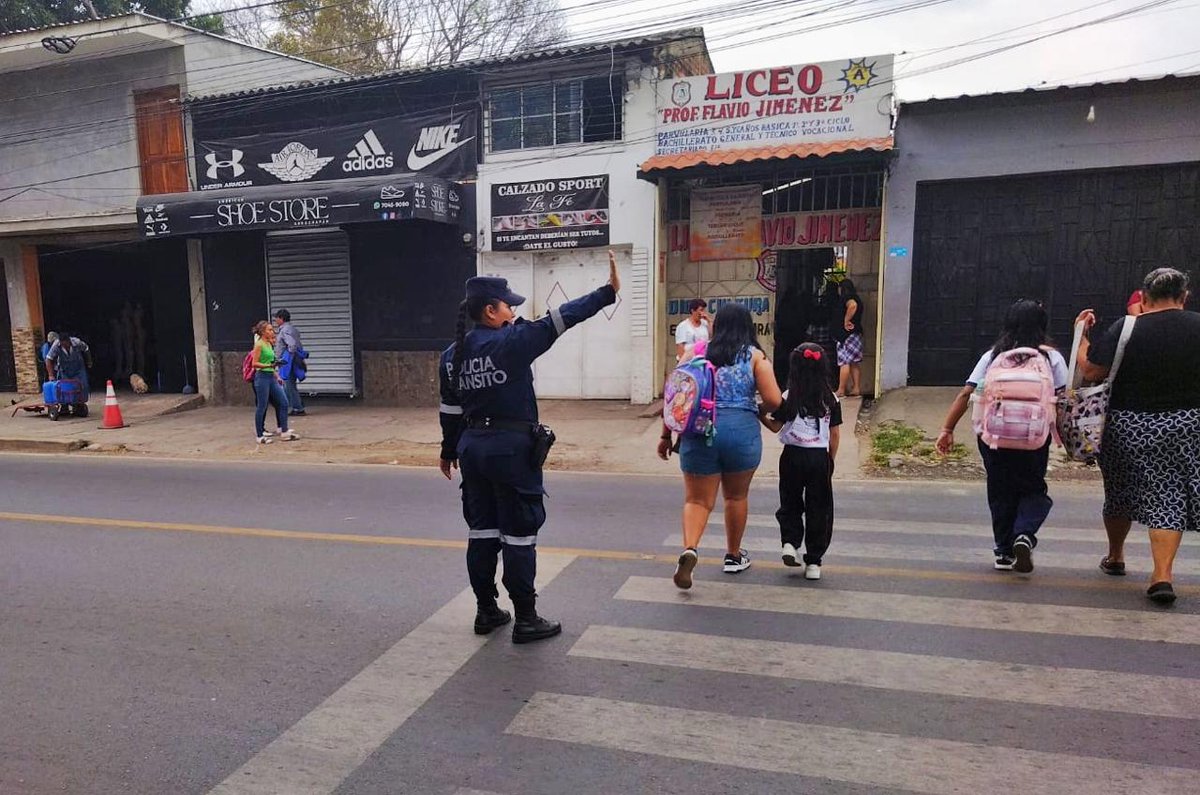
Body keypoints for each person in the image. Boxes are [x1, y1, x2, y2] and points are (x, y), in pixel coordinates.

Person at [438, 252, 621, 643]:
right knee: (519, 534)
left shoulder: (451, 356)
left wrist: (448, 450)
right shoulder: (513, 342)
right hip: (510, 450)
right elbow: (562, 318)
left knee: (482, 532)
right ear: (491, 310)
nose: (513, 312)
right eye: (508, 306)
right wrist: (607, 292)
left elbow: (450, 410)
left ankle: (486, 610)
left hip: (472, 450)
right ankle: (526, 617)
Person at [1075, 267, 1199, 605]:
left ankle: (1115, 556)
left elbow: (1091, 370)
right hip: (1185, 424)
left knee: (1118, 490)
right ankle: (1162, 575)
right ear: (1184, 297)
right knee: (1168, 494)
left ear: (1143, 299)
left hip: (1126, 425)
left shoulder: (1126, 328)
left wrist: (1082, 338)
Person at [935, 300, 1068, 573]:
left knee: (1000, 491)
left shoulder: (993, 356)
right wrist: (1065, 436)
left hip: (994, 437)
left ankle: (1004, 552)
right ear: (1043, 326)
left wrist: (947, 429)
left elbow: (966, 393)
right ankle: (1024, 534)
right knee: (1034, 490)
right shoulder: (1051, 358)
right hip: (1033, 437)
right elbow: (1062, 400)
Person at [659, 303, 783, 590]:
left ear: (718, 326)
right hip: (741, 432)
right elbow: (775, 400)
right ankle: (733, 555)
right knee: (735, 498)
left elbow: (675, 394)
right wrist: (754, 408)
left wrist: (666, 435)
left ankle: (690, 548)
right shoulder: (755, 357)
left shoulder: (695, 353)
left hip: (700, 431)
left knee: (696, 500)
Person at [760, 343, 841, 581]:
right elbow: (835, 435)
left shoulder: (788, 396)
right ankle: (814, 562)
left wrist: (759, 414)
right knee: (819, 508)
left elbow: (776, 425)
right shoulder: (831, 397)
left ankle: (789, 543)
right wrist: (830, 461)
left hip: (792, 455)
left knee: (790, 501)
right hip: (819, 458)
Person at [250, 321, 298, 445]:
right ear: (262, 332)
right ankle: (260, 435)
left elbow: (271, 361)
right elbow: (254, 364)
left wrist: (277, 375)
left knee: (283, 402)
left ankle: (284, 431)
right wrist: (269, 365)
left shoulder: (269, 344)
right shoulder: (259, 345)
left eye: (272, 329)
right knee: (262, 406)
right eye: (269, 330)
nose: (272, 332)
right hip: (262, 377)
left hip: (271, 376)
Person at [272, 308, 306, 416]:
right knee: (290, 384)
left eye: (276, 318)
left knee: (287, 384)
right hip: (292, 361)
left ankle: (295, 407)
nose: (275, 321)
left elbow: (292, 345)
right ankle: (296, 406)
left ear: (281, 318)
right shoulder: (292, 329)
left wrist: (287, 358)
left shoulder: (285, 330)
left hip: (287, 362)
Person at [835, 279, 864, 398]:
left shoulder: (848, 298)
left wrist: (846, 320)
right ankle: (856, 387)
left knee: (844, 361)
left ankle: (841, 389)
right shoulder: (857, 297)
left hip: (846, 336)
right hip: (855, 334)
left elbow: (852, 305)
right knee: (854, 362)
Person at [44, 333, 93, 402]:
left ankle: (79, 403)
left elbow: (86, 349)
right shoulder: (56, 345)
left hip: (78, 368)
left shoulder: (77, 342)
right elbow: (48, 359)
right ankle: (65, 405)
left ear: (69, 341)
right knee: (64, 387)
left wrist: (89, 361)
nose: (64, 346)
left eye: (66, 344)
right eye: (62, 345)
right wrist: (51, 375)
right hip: (64, 369)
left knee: (82, 385)